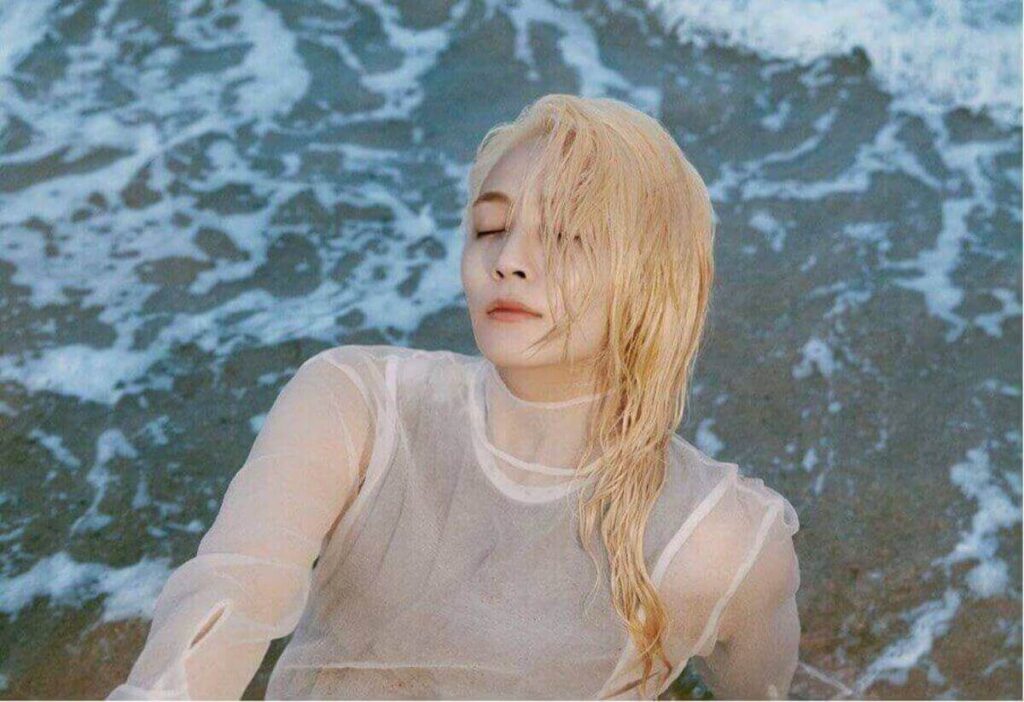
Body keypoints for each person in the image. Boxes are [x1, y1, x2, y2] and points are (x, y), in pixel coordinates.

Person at [107, 94, 801, 701]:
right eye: (490, 227)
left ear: (653, 274)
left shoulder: (719, 537)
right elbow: (232, 596)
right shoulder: (359, 406)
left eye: (566, 234)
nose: (509, 259)